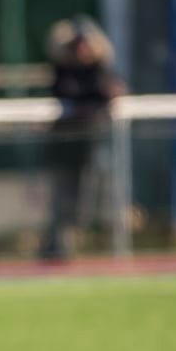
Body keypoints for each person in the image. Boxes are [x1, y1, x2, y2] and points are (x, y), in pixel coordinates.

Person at [42, 14, 126, 261]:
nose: (82, 49)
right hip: (66, 147)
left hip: (95, 145)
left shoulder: (101, 71)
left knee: (98, 197)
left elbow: (111, 93)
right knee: (64, 198)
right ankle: (59, 244)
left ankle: (108, 244)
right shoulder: (63, 71)